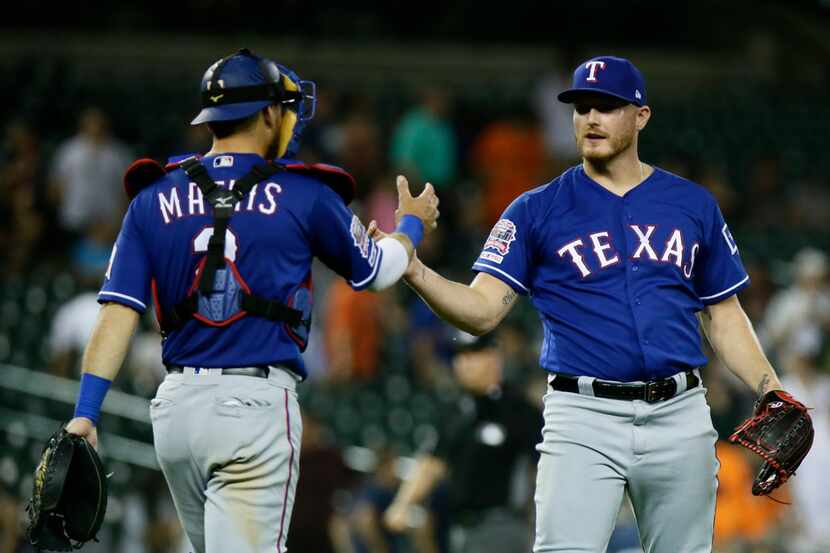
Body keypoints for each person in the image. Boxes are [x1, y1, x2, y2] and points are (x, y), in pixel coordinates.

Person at [371, 56, 806, 552]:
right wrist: (415, 270)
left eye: (607, 106)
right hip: (582, 418)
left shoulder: (691, 205)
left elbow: (723, 315)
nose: (591, 118)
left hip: (680, 413)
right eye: (581, 108)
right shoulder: (535, 209)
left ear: (641, 116)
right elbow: (481, 309)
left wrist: (770, 388)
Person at [61, 48, 439, 553]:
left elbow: (116, 312)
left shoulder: (153, 196)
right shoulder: (303, 192)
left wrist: (87, 412)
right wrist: (410, 225)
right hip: (252, 408)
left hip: (175, 416)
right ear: (267, 113)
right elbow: (377, 271)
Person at [383, 331, 541, 553]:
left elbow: (542, 471)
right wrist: (403, 503)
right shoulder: (456, 411)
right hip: (461, 529)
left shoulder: (519, 411)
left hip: (504, 527)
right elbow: (432, 463)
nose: (462, 363)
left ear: (493, 357)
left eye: (471, 355)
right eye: (459, 356)